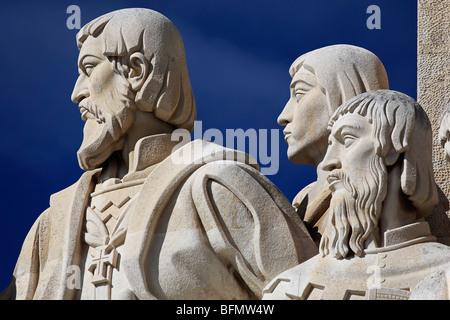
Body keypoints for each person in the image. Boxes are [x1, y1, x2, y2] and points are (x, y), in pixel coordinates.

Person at [1, 8, 317, 300]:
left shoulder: (216, 185)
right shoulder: (51, 226)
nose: (76, 93)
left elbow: (304, 292)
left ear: (136, 70)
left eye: (89, 69)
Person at [263, 90, 450, 300]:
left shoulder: (445, 275)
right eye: (331, 146)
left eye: (348, 140)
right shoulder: (288, 289)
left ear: (393, 149)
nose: (328, 163)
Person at [277, 45, 389, 243]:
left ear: (344, 93)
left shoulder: (378, 190)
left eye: (300, 94)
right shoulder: (299, 201)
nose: (283, 117)